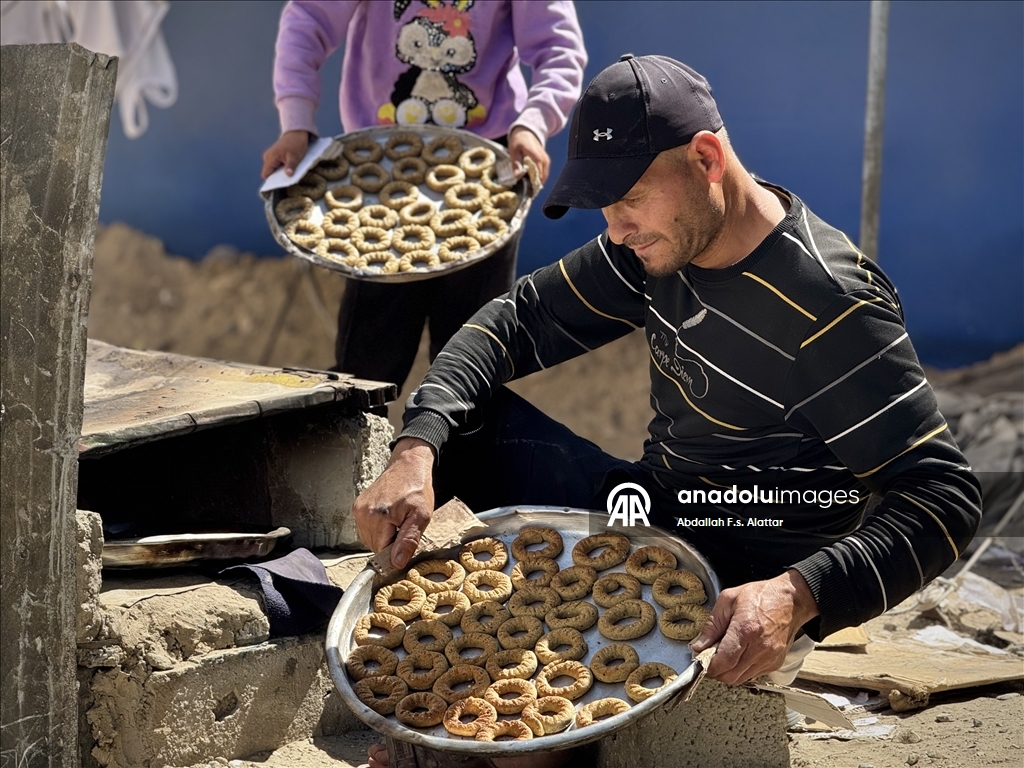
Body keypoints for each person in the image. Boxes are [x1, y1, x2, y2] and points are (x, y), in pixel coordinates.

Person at [353, 54, 982, 767]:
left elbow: (945, 499)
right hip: (651, 515)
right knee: (461, 426)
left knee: (527, 746)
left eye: (629, 201)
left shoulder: (829, 305)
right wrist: (416, 449)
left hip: (741, 576)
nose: (617, 231)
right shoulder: (658, 244)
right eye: (607, 211)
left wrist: (795, 595)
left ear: (706, 158)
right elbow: (513, 320)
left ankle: (527, 748)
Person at [261, 0, 587, 391]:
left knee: (471, 360)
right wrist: (295, 120)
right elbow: (309, 17)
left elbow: (559, 49)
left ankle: (460, 448)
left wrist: (534, 122)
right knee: (367, 361)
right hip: (376, 173)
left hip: (485, 173)